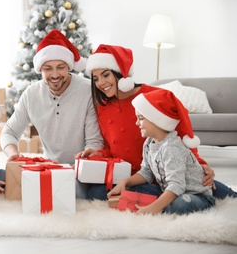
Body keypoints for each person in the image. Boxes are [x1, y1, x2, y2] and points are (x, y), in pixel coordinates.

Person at [77, 44, 237, 200]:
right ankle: (167, 196)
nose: (100, 83)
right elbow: (110, 148)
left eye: (106, 75)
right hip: (134, 177)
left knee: (215, 191)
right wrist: (98, 154)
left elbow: (183, 134)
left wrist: (199, 163)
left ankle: (177, 193)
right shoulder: (103, 108)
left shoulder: (153, 96)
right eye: (95, 78)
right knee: (96, 193)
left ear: (121, 73)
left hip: (167, 172)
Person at [0, 29, 104, 198]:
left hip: (80, 170)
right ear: (40, 69)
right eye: (48, 68)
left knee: (76, 193)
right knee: (3, 178)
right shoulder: (31, 94)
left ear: (69, 66)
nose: (55, 75)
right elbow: (9, 132)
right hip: (48, 167)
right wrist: (13, 155)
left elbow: (95, 142)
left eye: (60, 67)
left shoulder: (87, 91)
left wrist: (78, 168)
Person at [107, 89, 216, 215]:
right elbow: (146, 172)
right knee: (134, 189)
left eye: (141, 118)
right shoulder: (148, 143)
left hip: (194, 195)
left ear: (157, 120)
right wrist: (124, 182)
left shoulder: (171, 148)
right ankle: (162, 203)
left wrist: (151, 209)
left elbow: (177, 186)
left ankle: (160, 206)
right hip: (167, 189)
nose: (137, 123)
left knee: (180, 203)